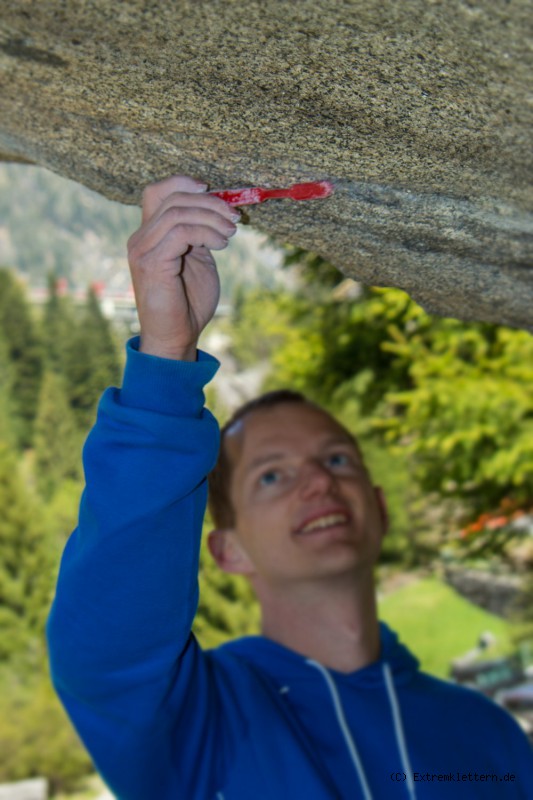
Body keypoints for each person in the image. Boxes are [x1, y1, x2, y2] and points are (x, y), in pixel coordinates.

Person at [47, 175, 533, 800]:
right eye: (271, 474)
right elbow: (105, 644)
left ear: (379, 508)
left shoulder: (486, 736)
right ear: (228, 551)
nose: (315, 482)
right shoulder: (200, 724)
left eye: (336, 460)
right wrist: (167, 357)